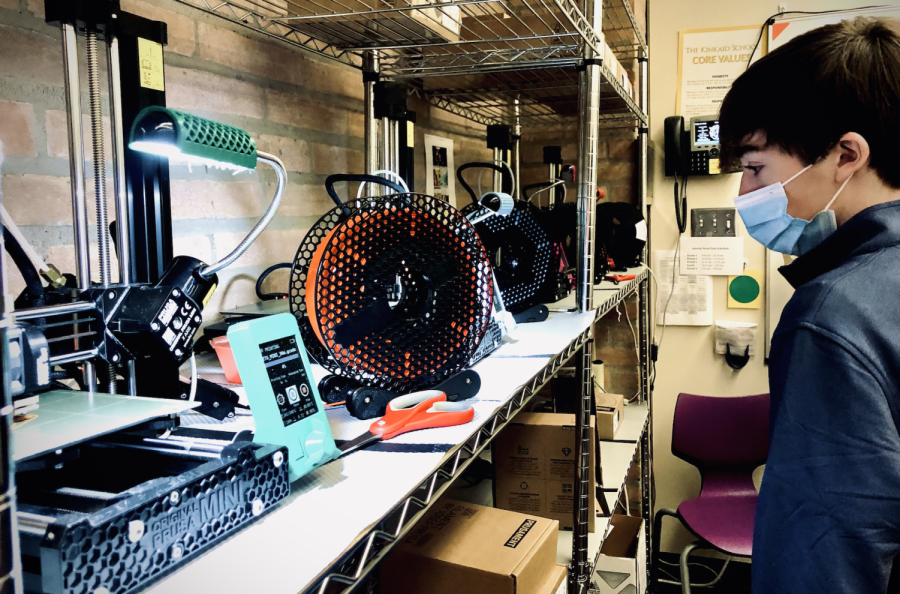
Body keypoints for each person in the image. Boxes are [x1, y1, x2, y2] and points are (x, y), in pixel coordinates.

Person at [719, 17, 900, 593]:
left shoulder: (833, 316)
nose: (745, 195)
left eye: (753, 168)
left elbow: (823, 557)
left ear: (847, 154)